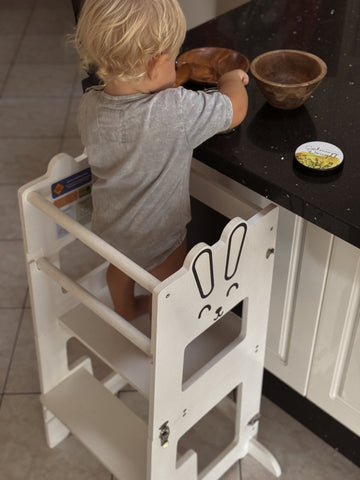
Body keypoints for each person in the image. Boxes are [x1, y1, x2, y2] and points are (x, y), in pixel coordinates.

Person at [74, 0, 249, 321]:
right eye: (174, 59)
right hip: (160, 237)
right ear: (156, 67)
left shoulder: (89, 104)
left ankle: (125, 308)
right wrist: (232, 80)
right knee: (170, 284)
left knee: (120, 269)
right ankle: (165, 326)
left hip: (111, 230)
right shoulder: (173, 110)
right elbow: (234, 111)